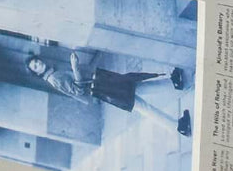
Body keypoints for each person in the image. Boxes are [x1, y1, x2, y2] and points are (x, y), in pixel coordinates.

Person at [25, 52, 192, 137]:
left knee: (133, 85)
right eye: (35, 66)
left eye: (37, 61)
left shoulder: (54, 72)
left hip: (101, 83)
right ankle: (178, 127)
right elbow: (78, 90)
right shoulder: (54, 79)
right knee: (140, 105)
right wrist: (75, 66)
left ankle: (173, 82)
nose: (39, 64)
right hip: (102, 87)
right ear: (36, 73)